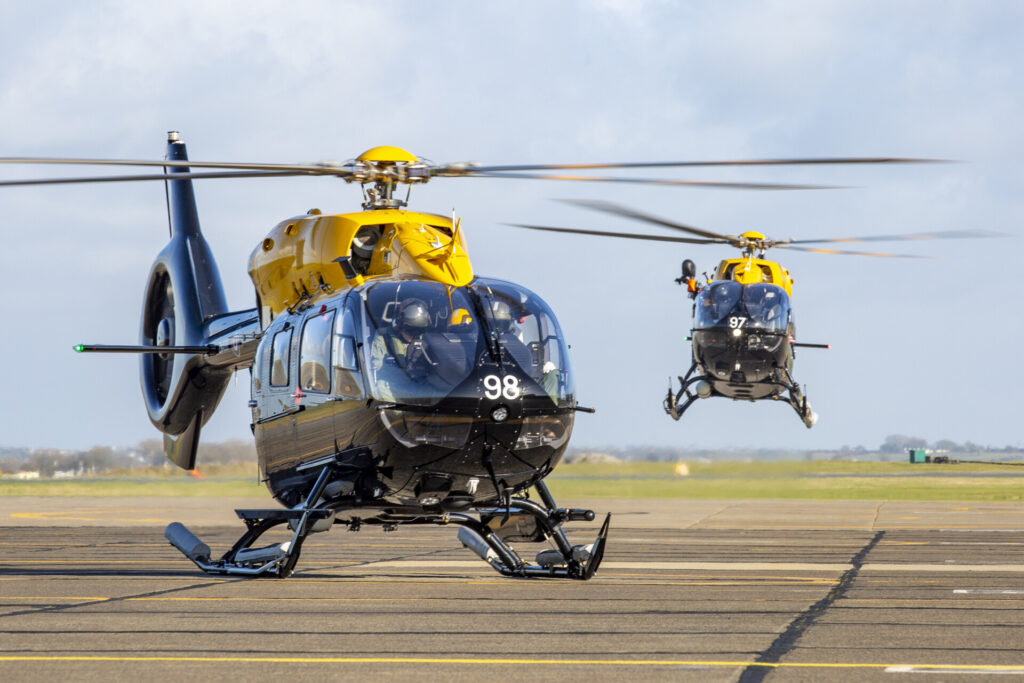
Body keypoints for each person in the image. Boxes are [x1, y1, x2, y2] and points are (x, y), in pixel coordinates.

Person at [369, 298, 434, 400]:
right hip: (394, 386)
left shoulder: (426, 339)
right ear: (399, 325)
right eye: (410, 330)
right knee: (381, 388)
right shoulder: (384, 337)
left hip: (421, 385)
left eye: (418, 331)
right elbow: (376, 368)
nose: (414, 335)